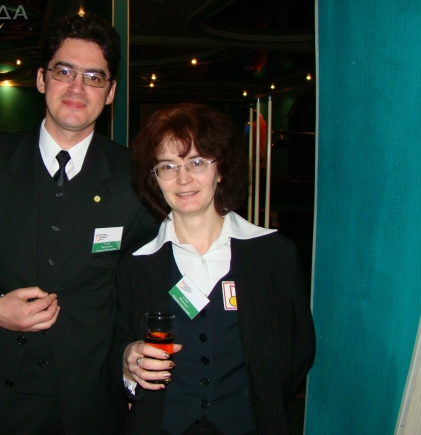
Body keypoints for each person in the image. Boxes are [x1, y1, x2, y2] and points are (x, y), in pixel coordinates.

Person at [0, 13, 158, 435]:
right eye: (64, 71)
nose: (77, 87)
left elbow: (143, 284)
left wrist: (132, 348)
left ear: (111, 92)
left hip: (92, 401)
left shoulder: (135, 178)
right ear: (42, 79)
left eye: (94, 77)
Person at [110, 104, 315, 435]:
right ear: (155, 179)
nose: (183, 179)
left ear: (220, 170)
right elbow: (115, 343)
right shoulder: (136, 263)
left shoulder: (274, 254)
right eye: (167, 166)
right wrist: (127, 360)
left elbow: (298, 350)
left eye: (196, 162)